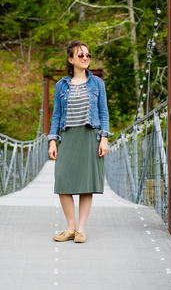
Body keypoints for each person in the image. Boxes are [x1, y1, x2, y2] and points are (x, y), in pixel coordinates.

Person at [47, 40, 112, 244]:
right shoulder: (61, 86)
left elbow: (103, 113)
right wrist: (52, 141)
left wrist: (104, 138)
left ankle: (81, 230)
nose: (85, 58)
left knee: (86, 184)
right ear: (71, 59)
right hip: (67, 137)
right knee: (63, 181)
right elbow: (56, 115)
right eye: (81, 55)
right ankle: (70, 228)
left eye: (88, 55)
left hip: (90, 137)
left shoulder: (97, 84)